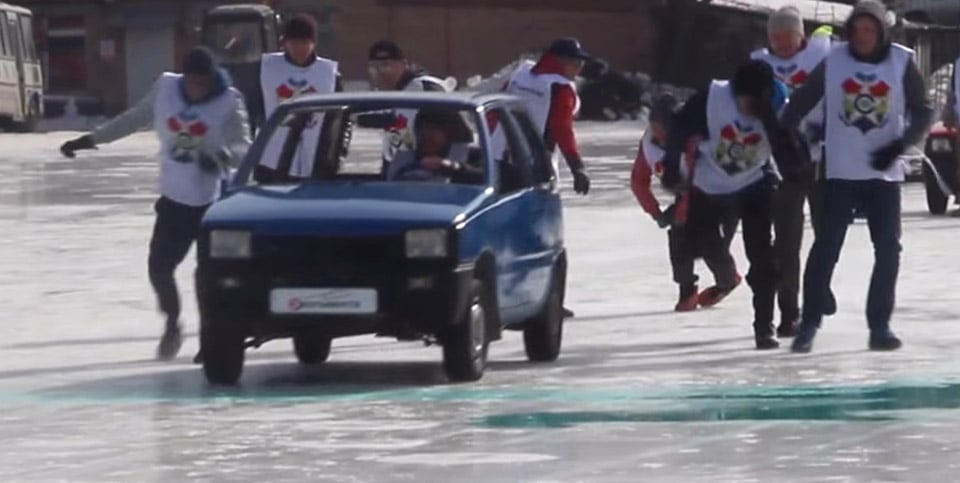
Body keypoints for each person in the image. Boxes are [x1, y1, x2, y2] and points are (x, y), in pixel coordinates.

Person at [58, 47, 251, 360]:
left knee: (209, 276)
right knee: (159, 269)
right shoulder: (165, 88)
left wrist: (221, 157)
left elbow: (244, 146)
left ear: (211, 79)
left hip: (211, 206)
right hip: (174, 201)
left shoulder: (229, 101)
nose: (195, 89)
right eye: (191, 81)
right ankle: (173, 323)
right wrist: (89, 140)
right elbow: (133, 119)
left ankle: (211, 341)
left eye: (202, 83)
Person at [780, 0, 934, 353]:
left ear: (881, 31)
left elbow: (923, 111)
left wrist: (900, 145)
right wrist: (791, 146)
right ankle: (809, 324)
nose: (863, 37)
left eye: (870, 30)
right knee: (826, 249)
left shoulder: (901, 60)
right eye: (857, 30)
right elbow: (796, 107)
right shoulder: (834, 61)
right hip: (840, 174)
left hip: (884, 176)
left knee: (888, 250)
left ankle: (879, 325)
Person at [662, 60, 802, 350]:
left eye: (754, 102)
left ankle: (764, 326)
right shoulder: (713, 98)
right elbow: (678, 128)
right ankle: (724, 277)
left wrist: (793, 172)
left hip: (754, 184)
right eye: (743, 100)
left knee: (762, 258)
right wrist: (673, 168)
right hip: (709, 186)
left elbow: (789, 150)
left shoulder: (779, 106)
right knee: (695, 245)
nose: (746, 107)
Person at [750, 7, 834, 338]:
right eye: (776, 38)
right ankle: (790, 309)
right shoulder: (759, 65)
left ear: (801, 36)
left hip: (822, 155)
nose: (782, 44)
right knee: (785, 240)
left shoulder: (823, 58)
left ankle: (820, 282)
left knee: (828, 231)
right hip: (781, 163)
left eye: (788, 37)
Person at [501, 37, 594, 318]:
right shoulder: (561, 88)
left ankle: (506, 293)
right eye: (577, 63)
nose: (579, 69)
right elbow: (562, 130)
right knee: (546, 236)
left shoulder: (522, 72)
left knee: (506, 231)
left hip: (499, 159)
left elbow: (496, 104)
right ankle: (549, 301)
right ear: (563, 62)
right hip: (535, 169)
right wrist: (577, 167)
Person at [630, 93, 740, 311]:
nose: (658, 135)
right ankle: (686, 288)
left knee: (710, 242)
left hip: (721, 194)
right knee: (678, 237)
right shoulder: (649, 144)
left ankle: (727, 281)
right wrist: (657, 212)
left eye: (663, 129)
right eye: (654, 128)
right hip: (688, 195)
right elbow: (638, 181)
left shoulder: (697, 141)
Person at [255, 14, 343, 183]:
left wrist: (336, 154)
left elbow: (338, 119)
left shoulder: (329, 74)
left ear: (313, 43)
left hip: (316, 159)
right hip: (272, 160)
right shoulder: (267, 69)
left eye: (304, 43)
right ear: (285, 43)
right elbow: (255, 109)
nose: (299, 49)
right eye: (294, 43)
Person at [363, 40, 452, 173]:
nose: (379, 73)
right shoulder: (393, 94)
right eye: (373, 67)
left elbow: (443, 134)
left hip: (431, 172)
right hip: (404, 172)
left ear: (404, 65)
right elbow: (400, 143)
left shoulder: (425, 89)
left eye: (386, 65)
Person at [387, 108, 484, 184]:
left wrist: (455, 168)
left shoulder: (472, 154)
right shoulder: (406, 155)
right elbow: (391, 181)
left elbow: (485, 178)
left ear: (450, 133)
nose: (425, 135)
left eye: (432, 130)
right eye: (421, 129)